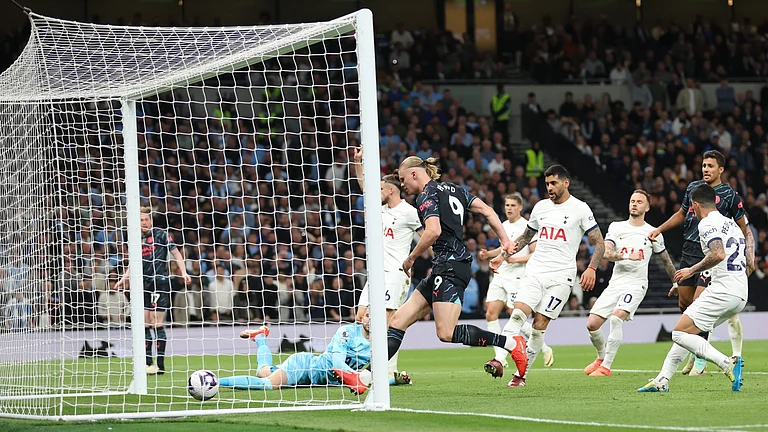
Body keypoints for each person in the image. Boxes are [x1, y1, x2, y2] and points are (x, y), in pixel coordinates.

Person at [385, 156, 529, 379]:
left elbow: (433, 231)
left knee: (446, 332)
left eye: (403, 179)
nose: (402, 185)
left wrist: (411, 258)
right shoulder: (454, 189)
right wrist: (504, 241)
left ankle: (511, 342)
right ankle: (367, 375)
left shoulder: (426, 194)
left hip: (450, 265)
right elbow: (489, 210)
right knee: (397, 321)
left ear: (415, 174)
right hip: (445, 266)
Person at [487, 165, 605, 387]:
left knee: (539, 325)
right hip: (535, 271)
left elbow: (598, 241)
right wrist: (503, 256)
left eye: (554, 183)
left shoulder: (580, 209)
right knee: (517, 315)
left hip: (561, 278)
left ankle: (521, 375)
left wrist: (591, 268)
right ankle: (499, 359)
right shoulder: (541, 207)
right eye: (547, 183)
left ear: (566, 183)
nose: (549, 187)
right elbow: (525, 237)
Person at [648, 150, 753, 375]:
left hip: (713, 256)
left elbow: (743, 229)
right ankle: (695, 349)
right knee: (685, 304)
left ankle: (701, 358)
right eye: (704, 165)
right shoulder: (694, 190)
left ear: (721, 170)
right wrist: (659, 228)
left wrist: (748, 257)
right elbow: (681, 213)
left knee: (699, 303)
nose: (706, 169)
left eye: (710, 166)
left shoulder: (730, 196)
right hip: (690, 250)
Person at [638, 185, 745, 393]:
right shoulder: (730, 223)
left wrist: (690, 271)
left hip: (723, 291)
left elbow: (718, 254)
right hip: (739, 293)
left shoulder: (706, 224)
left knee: (678, 333)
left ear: (695, 205)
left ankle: (726, 362)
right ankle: (662, 380)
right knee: (688, 332)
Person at [583, 190, 677, 377]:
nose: (634, 204)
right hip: (616, 282)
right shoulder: (617, 227)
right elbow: (606, 253)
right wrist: (627, 256)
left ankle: (606, 368)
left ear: (647, 207)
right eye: (632, 201)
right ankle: (601, 357)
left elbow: (666, 261)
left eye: (639, 202)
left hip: (636, 284)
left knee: (617, 318)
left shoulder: (653, 233)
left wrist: (676, 282)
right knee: (592, 324)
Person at [352, 148, 421, 376]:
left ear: (391, 190)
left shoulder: (409, 213)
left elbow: (428, 236)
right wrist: (357, 162)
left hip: (395, 273)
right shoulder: (378, 209)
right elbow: (364, 186)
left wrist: (422, 259)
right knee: (361, 317)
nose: (377, 192)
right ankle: (373, 366)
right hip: (376, 274)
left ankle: (388, 370)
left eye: (381, 188)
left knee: (388, 322)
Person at [220, 313, 411, 395]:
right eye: (368, 315)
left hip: (315, 380)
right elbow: (337, 363)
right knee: (267, 384)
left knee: (263, 371)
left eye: (375, 316)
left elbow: (369, 377)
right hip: (305, 366)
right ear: (362, 317)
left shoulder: (378, 344)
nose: (371, 319)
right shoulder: (347, 332)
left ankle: (261, 337)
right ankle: (215, 382)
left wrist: (394, 380)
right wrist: (356, 379)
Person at [480, 193, 554, 370]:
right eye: (507, 205)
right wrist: (490, 254)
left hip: (518, 276)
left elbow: (534, 252)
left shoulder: (527, 227)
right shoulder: (503, 226)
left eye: (513, 205)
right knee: (490, 312)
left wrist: (515, 260)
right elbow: (505, 248)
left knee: (516, 315)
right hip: (500, 274)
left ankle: (544, 347)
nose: (509, 208)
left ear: (520, 207)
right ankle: (500, 356)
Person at [116, 206, 191, 374]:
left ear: (151, 220)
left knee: (155, 321)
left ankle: (161, 364)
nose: (144, 222)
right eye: (141, 220)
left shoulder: (161, 234)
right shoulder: (134, 238)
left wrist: (184, 271)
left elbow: (177, 254)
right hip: (142, 284)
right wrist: (124, 278)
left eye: (146, 219)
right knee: (143, 322)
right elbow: (133, 262)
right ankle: (148, 363)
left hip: (160, 282)